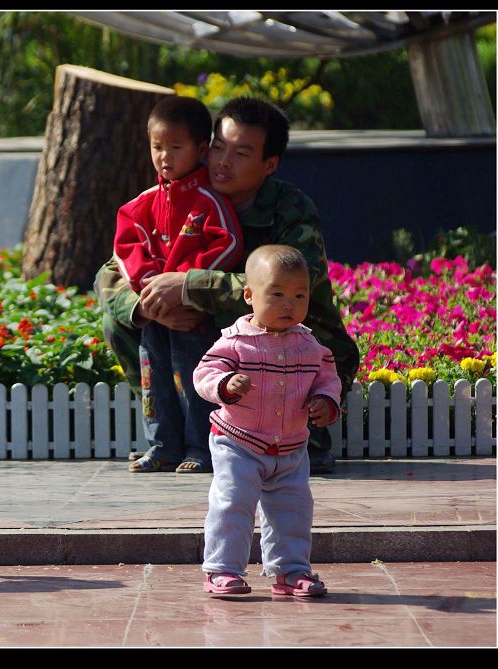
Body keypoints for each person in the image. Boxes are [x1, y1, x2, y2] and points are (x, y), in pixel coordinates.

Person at [95, 96, 359, 475]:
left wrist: (189, 286)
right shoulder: (185, 194)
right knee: (121, 320)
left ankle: (274, 440)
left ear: (269, 165)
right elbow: (110, 269)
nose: (222, 162)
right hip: (209, 337)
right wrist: (152, 306)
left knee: (295, 449)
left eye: (240, 153)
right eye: (219, 147)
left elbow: (291, 283)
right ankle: (173, 435)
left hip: (286, 343)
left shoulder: (290, 209)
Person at [194, 245, 338, 597]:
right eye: (277, 293)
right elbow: (204, 373)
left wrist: (325, 401)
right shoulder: (235, 342)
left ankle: (290, 571)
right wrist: (225, 384)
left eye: (299, 295)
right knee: (233, 502)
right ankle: (222, 570)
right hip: (238, 442)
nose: (289, 304)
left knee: (293, 509)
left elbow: (328, 378)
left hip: (290, 447)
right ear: (249, 295)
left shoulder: (310, 345)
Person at [113, 96, 242, 475]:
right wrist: (152, 291)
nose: (164, 157)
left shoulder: (209, 201)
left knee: (196, 377)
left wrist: (184, 282)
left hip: (192, 315)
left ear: (201, 149)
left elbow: (228, 242)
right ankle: (162, 446)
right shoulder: (142, 204)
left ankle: (200, 448)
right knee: (154, 381)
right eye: (157, 147)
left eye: (175, 147)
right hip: (157, 315)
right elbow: (126, 248)